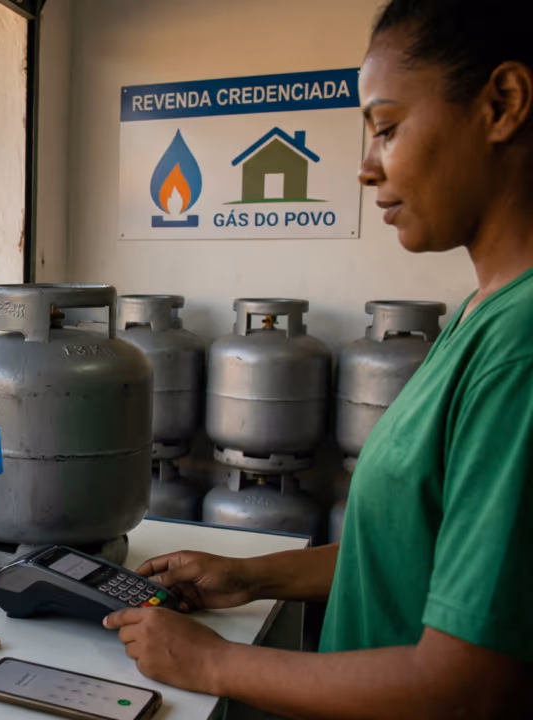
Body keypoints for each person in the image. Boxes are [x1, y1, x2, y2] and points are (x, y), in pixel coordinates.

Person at [103, 1, 533, 717]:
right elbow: (414, 556)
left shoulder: (518, 351)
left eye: (387, 128)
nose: (366, 168)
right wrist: (251, 576)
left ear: (502, 105)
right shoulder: (481, 313)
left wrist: (214, 663)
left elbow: (467, 684)